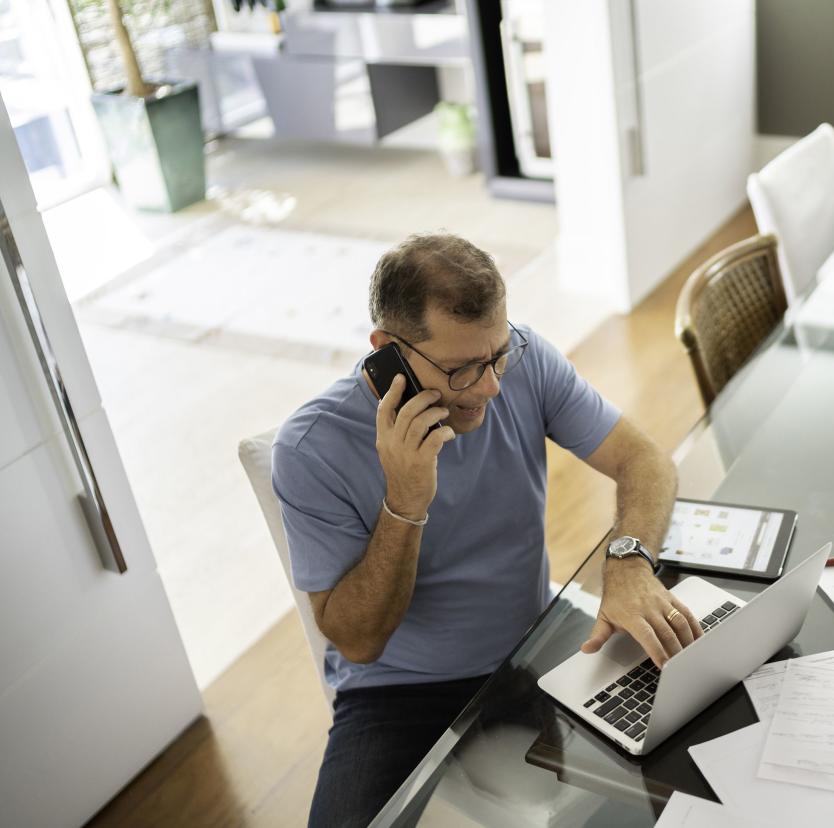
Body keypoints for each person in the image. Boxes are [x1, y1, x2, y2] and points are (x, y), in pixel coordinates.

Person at [271, 232, 702, 827]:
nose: (491, 387)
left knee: (695, 752)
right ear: (386, 351)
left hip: (537, 645)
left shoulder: (525, 362)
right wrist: (405, 502)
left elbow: (645, 460)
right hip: (397, 693)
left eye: (497, 354)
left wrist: (628, 562)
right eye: (462, 369)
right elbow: (360, 641)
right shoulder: (311, 449)